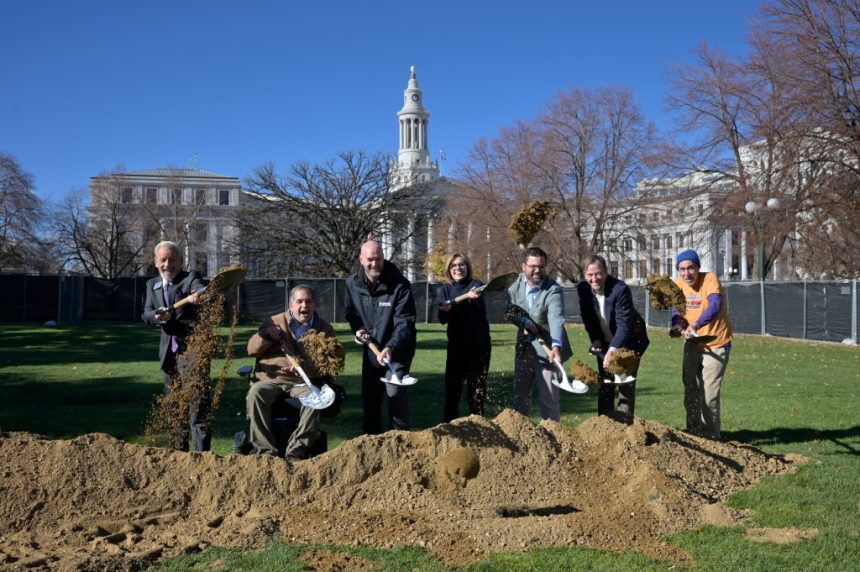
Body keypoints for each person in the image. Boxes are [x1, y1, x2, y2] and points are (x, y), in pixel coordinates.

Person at [245, 285, 334, 460]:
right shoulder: (274, 321)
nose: (304, 306)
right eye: (299, 301)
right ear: (291, 305)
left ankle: (296, 450)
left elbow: (326, 364)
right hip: (271, 379)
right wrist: (266, 335)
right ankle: (265, 451)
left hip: (302, 382)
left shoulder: (324, 329)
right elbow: (251, 349)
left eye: (308, 301)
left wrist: (302, 366)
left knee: (316, 399)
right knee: (256, 393)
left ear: (315, 304)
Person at [344, 240, 417, 434]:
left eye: (378, 259)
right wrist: (358, 329)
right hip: (371, 351)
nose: (374, 264)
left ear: (383, 258)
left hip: (398, 350)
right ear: (361, 259)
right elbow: (351, 314)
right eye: (370, 259)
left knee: (394, 392)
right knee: (370, 398)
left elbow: (405, 322)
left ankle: (402, 439)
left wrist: (391, 347)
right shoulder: (351, 283)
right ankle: (371, 442)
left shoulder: (400, 285)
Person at [142, 240, 207, 451]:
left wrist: (199, 295)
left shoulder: (190, 278)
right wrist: (159, 316)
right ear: (156, 261)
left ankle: (202, 456)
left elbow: (200, 290)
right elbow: (146, 314)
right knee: (174, 406)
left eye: (172, 259)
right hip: (168, 353)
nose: (167, 264)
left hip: (193, 349)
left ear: (180, 261)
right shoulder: (152, 284)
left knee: (197, 405)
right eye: (163, 259)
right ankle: (178, 454)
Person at [576, 254, 649, 421]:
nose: (594, 279)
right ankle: (604, 425)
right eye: (589, 275)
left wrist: (613, 350)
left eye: (598, 273)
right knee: (605, 385)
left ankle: (626, 428)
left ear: (606, 272)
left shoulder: (620, 290)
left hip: (629, 342)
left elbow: (624, 325)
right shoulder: (583, 288)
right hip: (605, 342)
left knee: (624, 385)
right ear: (584, 275)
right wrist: (595, 339)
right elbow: (588, 317)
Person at [670, 249, 733, 440]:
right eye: (682, 269)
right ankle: (693, 432)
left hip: (716, 343)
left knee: (708, 394)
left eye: (690, 268)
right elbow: (676, 311)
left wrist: (696, 324)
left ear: (698, 267)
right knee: (690, 388)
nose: (687, 273)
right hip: (692, 343)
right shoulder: (678, 284)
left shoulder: (710, 280)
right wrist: (678, 325)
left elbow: (715, 305)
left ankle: (711, 436)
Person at [506, 246, 572, 421]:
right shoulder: (514, 284)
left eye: (541, 266)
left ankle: (552, 438)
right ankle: (521, 435)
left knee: (549, 395)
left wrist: (557, 345)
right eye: (533, 266)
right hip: (524, 346)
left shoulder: (553, 289)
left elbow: (556, 318)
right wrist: (523, 322)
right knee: (520, 394)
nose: (537, 270)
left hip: (548, 348)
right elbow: (508, 311)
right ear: (523, 266)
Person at [436, 253, 491, 422]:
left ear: (467, 267)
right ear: (448, 270)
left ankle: (479, 433)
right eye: (453, 266)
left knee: (476, 396)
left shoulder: (476, 285)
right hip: (456, 350)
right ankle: (449, 433)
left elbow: (479, 304)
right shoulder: (444, 290)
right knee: (452, 395)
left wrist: (472, 296)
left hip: (479, 349)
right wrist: (445, 309)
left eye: (461, 265)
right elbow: (441, 319)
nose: (458, 268)